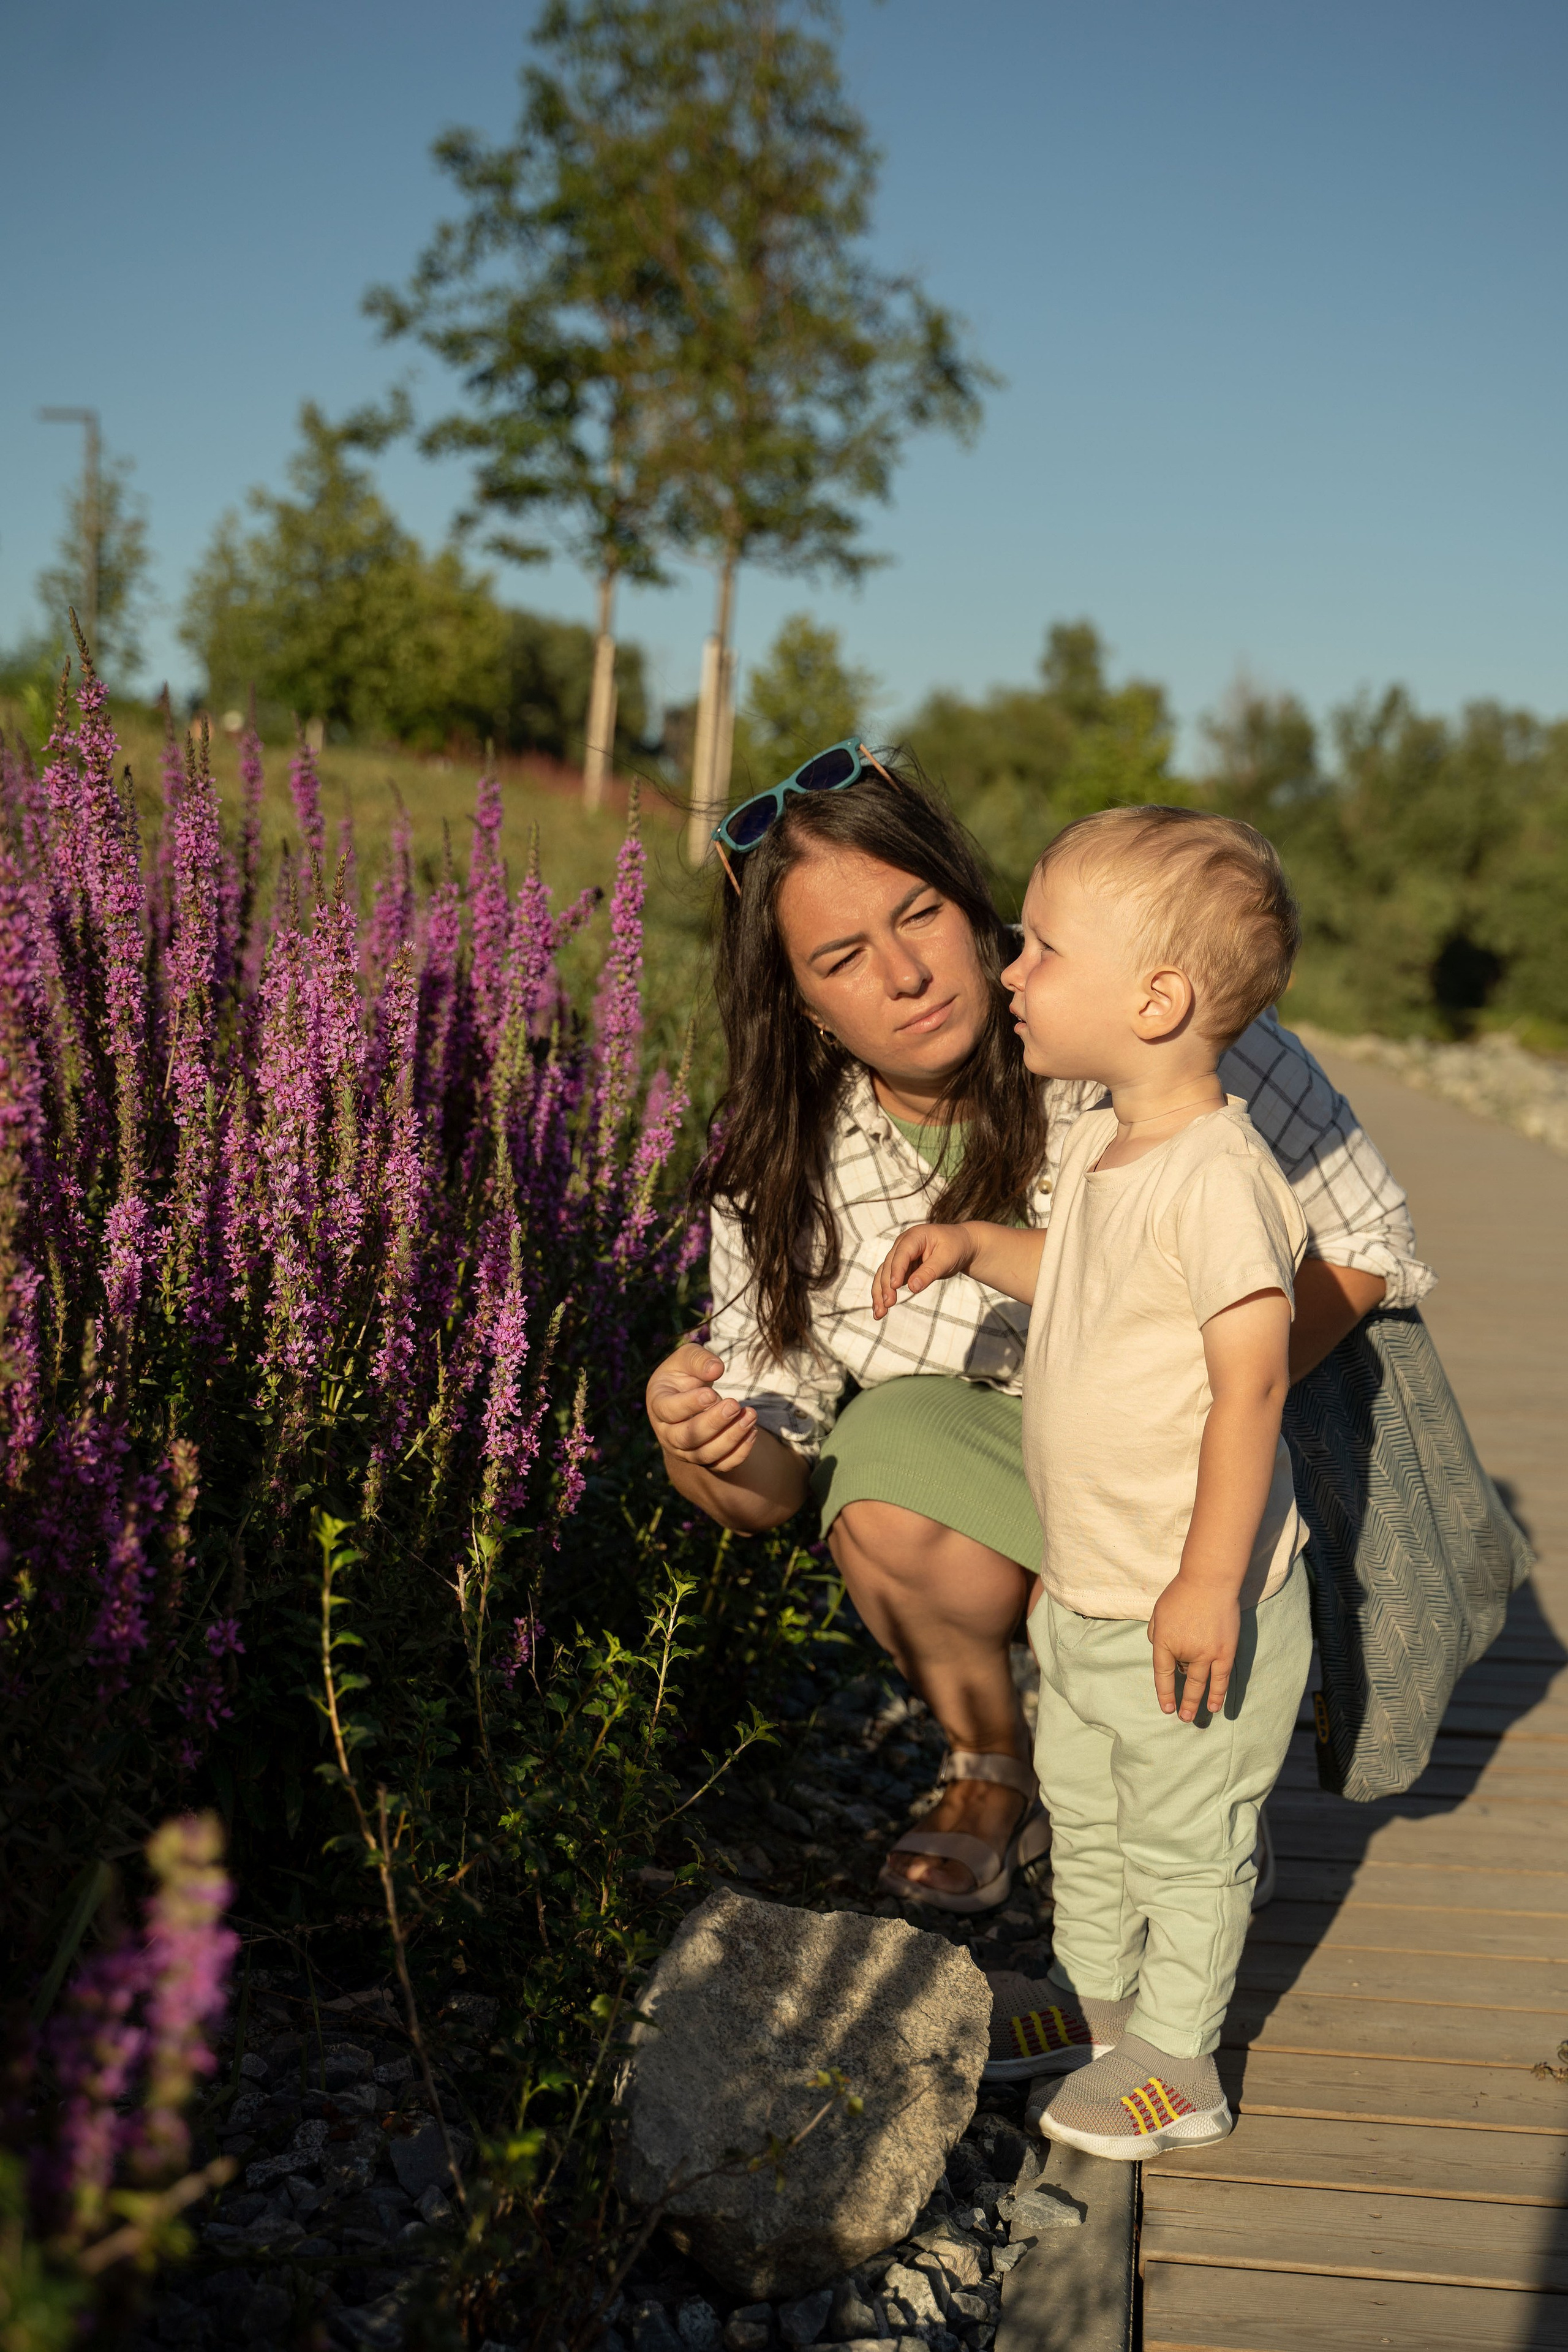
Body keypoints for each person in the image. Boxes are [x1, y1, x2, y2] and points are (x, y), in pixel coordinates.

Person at [643, 745, 1433, 1912]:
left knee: (1176, 1802)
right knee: (885, 1475)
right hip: (1013, 1470)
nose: (908, 973)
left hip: (1213, 1451)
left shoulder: (1158, 1020)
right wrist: (700, 1442)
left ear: (977, 908)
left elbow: (1366, 1238)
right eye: (844, 958)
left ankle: (1179, 1772)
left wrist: (1209, 1404)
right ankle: (993, 1768)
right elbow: (771, 1491)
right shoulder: (783, 1170)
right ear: (800, 1006)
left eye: (922, 913)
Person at [873, 804, 1310, 2158]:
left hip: (1188, 1597)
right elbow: (1086, 1279)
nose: (1007, 968)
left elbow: (1250, 1381)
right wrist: (972, 1244)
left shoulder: (1219, 1178)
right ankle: (1098, 2008)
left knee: (1183, 1835)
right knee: (1093, 1809)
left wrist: (1206, 1580)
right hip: (1090, 1584)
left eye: (1043, 948)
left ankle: (1179, 2060)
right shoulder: (1106, 1144)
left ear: (1156, 998)